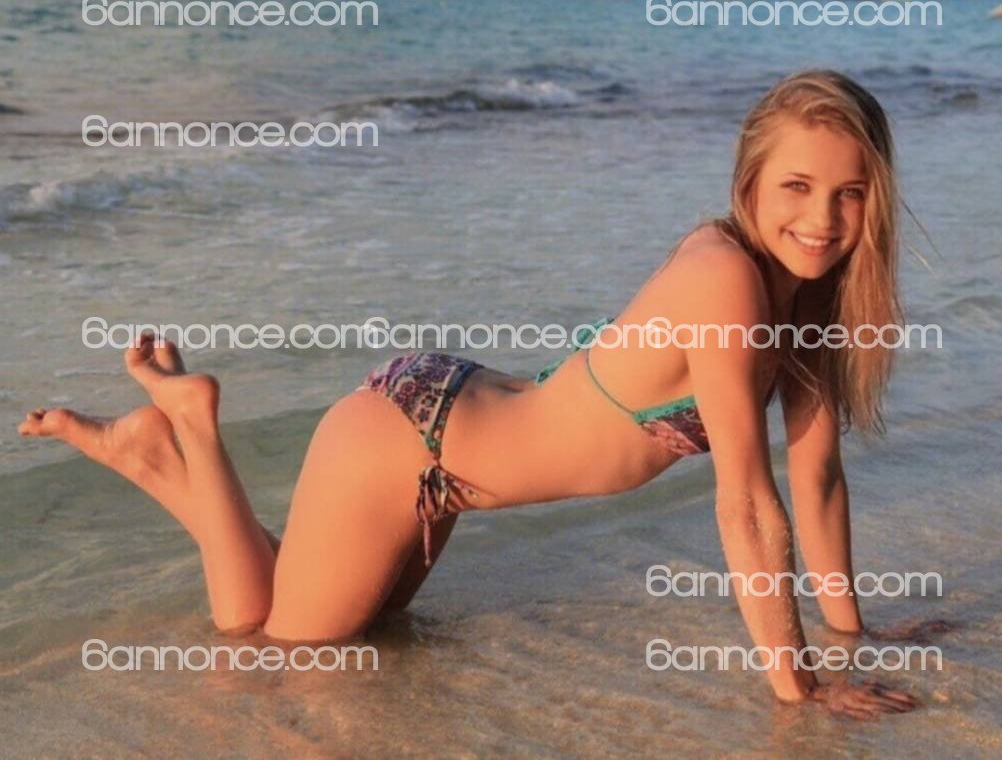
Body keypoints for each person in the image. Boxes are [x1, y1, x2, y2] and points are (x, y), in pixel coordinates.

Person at [19, 69, 943, 718]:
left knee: (343, 621)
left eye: (850, 193)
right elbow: (745, 500)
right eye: (796, 185)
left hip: (447, 444)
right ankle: (187, 434)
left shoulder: (808, 304)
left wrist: (850, 635)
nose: (821, 217)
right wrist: (799, 690)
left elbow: (816, 476)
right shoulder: (725, 281)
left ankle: (171, 446)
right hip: (406, 446)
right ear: (748, 183)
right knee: (273, 648)